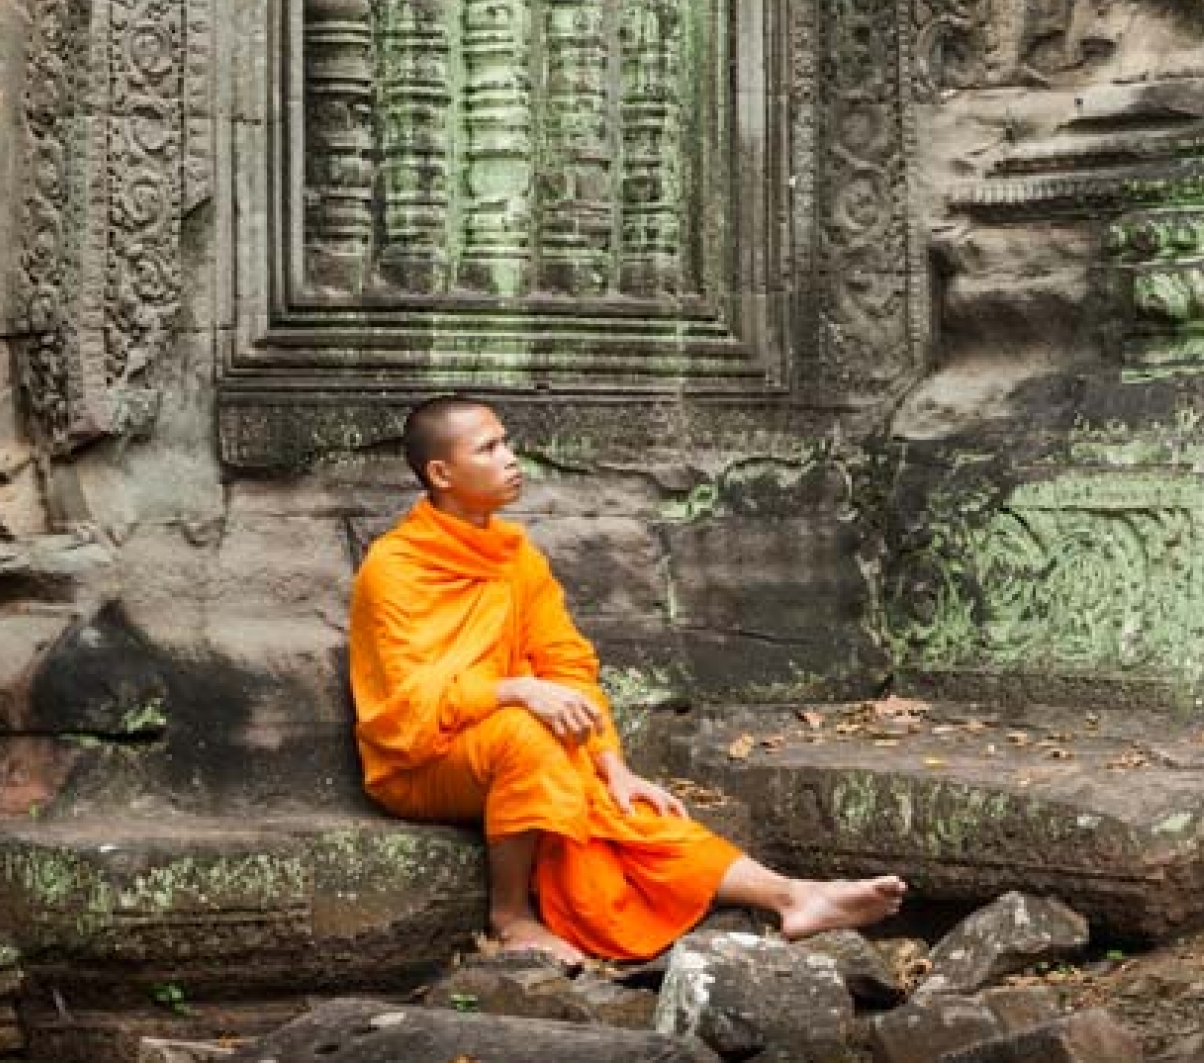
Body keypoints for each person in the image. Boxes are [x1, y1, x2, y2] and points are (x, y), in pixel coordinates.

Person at [350, 395, 905, 964]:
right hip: (420, 764)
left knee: (622, 805)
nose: (512, 458)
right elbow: (404, 706)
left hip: (509, 749)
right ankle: (511, 917)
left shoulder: (516, 557)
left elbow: (567, 666)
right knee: (529, 736)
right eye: (489, 448)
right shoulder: (396, 567)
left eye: (507, 441)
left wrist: (613, 765)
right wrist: (514, 690)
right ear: (441, 473)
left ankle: (793, 897)